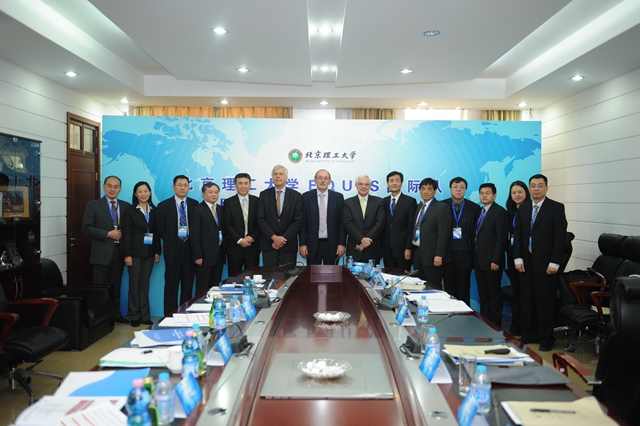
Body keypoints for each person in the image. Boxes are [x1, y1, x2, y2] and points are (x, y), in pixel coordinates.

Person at [514, 174, 568, 352]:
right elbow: (519, 235)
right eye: (533, 186)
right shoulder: (524, 208)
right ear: (529, 188)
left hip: (546, 264)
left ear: (546, 188)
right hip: (526, 262)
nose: (536, 189)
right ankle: (529, 334)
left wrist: (555, 263)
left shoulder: (556, 208)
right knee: (527, 301)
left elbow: (560, 238)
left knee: (545, 303)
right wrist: (518, 258)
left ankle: (546, 338)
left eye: (540, 185)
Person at [82, 175, 131, 323]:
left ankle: (115, 315)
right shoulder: (93, 205)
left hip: (119, 252)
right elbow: (86, 228)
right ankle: (99, 319)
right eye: (109, 186)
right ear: (104, 187)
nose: (112, 189)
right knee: (100, 287)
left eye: (116, 187)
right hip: (101, 253)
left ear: (120, 189)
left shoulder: (126, 206)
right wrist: (108, 234)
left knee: (116, 286)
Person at [155, 175, 198, 315]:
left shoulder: (195, 204)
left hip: (190, 249)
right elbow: (160, 228)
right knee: (171, 285)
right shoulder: (163, 206)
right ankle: (169, 315)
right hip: (172, 249)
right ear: (173, 187)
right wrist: (171, 239)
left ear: (189, 187)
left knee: (187, 285)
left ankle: (185, 314)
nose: (182, 188)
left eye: (185, 185)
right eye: (179, 185)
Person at [121, 181, 160, 327]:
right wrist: (127, 254)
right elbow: (126, 234)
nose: (143, 194)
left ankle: (145, 315)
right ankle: (134, 315)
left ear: (150, 193)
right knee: (134, 284)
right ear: (135, 194)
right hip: (134, 253)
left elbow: (156, 233)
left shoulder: (154, 210)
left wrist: (157, 251)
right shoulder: (130, 210)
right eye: (140, 191)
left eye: (146, 191)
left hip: (149, 252)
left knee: (145, 285)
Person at [441, 177, 481, 304]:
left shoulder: (474, 208)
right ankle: (449, 313)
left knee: (464, 288)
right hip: (447, 254)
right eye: (455, 187)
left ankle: (465, 314)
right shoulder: (441, 206)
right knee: (449, 289)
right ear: (450, 189)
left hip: (465, 254)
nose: (458, 190)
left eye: (462, 187)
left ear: (465, 190)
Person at [473, 183, 508, 326]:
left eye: (487, 193)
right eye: (482, 193)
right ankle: (484, 322)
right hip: (479, 260)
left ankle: (494, 324)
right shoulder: (480, 211)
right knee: (483, 294)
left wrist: (496, 260)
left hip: (492, 261)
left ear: (494, 195)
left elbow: (501, 239)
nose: (484, 196)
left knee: (493, 294)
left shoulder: (500, 212)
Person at [257, 165, 303, 268]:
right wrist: (273, 237)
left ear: (286, 178)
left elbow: (298, 221)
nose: (278, 176)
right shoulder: (264, 195)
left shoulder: (296, 196)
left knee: (287, 276)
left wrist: (282, 239)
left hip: (288, 245)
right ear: (272, 177)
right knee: (269, 275)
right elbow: (260, 219)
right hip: (269, 244)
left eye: (281, 174)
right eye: (275, 174)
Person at [299, 169, 346, 265]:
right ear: (315, 180)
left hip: (333, 245)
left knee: (332, 273)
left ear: (330, 181)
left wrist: (341, 243)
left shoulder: (338, 197)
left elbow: (342, 223)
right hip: (312, 245)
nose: (323, 181)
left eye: (326, 178)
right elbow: (303, 223)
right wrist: (302, 244)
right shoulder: (306, 197)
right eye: (320, 178)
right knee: (312, 273)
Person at [411, 178, 450, 286]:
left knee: (433, 286)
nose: (425, 191)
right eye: (423, 189)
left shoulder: (442, 208)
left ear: (435, 191)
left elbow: (443, 234)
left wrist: (439, 255)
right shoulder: (419, 207)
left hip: (432, 256)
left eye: (429, 189)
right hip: (418, 254)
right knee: (419, 286)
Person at [504, 180, 531, 336]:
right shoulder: (510, 213)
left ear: (526, 193)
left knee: (525, 294)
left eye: (520, 192)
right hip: (512, 254)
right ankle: (516, 325)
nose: (517, 195)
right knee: (516, 292)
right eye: (514, 193)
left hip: (526, 256)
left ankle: (527, 327)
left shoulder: (531, 211)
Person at [190, 182, 226, 295]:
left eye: (216, 192)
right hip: (204, 256)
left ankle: (214, 306)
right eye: (210, 192)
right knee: (202, 287)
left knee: (215, 286)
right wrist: (198, 256)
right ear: (203, 194)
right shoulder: (197, 210)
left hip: (219, 254)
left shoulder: (220, 209)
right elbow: (194, 235)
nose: (214, 195)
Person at [342, 174, 385, 264]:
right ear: (356, 185)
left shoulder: (379, 202)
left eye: (366, 184)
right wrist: (361, 239)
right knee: (352, 273)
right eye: (361, 184)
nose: (364, 187)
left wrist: (365, 242)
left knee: (372, 273)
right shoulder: (348, 203)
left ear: (370, 186)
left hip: (373, 248)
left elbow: (379, 224)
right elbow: (348, 224)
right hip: (355, 247)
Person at [224, 173, 260, 277]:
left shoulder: (257, 201)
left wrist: (252, 237)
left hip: (252, 247)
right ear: (235, 185)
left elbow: (261, 223)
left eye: (246, 183)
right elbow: (227, 224)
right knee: (234, 279)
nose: (243, 186)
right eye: (240, 183)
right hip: (235, 248)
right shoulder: (229, 202)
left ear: (250, 185)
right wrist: (240, 240)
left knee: (253, 278)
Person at [381, 171, 416, 273]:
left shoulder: (410, 201)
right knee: (388, 278)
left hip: (403, 251)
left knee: (403, 278)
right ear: (387, 183)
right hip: (387, 250)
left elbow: (411, 227)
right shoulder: (383, 201)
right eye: (391, 181)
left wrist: (408, 248)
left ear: (402, 183)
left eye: (397, 180)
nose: (394, 183)